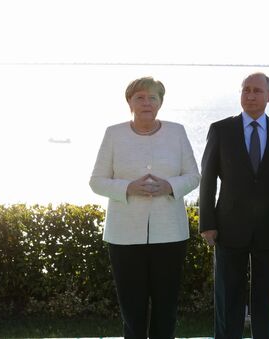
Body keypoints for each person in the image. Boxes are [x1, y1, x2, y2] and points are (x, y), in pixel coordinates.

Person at [89, 76, 200, 339]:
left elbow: (194, 176)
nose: (146, 102)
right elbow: (96, 181)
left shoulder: (177, 132)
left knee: (166, 308)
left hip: (170, 234)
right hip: (124, 236)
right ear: (130, 102)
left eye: (153, 97)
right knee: (132, 310)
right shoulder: (113, 134)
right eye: (140, 97)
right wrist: (127, 187)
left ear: (160, 102)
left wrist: (169, 186)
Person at [199, 72, 269, 338]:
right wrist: (207, 223)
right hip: (229, 228)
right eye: (246, 90)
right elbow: (207, 179)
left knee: (265, 302)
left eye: (256, 91)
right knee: (228, 300)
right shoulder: (221, 130)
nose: (250, 96)